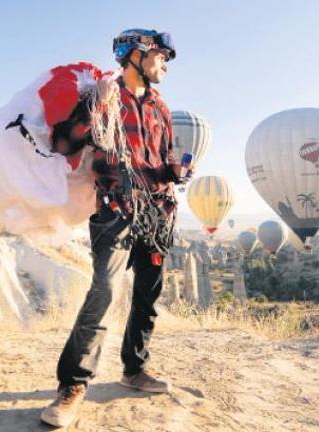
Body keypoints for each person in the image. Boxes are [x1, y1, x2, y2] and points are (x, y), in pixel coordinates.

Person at [40, 29, 187, 428]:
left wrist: (175, 171)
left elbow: (163, 158)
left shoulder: (160, 107)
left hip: (158, 211)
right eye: (160, 56)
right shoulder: (102, 95)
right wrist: (93, 108)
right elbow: (63, 143)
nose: (164, 64)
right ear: (135, 55)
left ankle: (134, 369)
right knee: (105, 288)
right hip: (115, 210)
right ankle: (72, 386)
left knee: (148, 294)